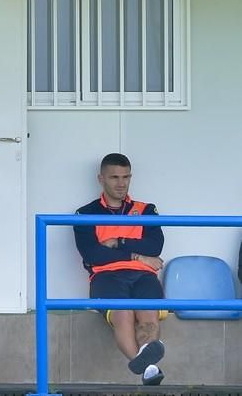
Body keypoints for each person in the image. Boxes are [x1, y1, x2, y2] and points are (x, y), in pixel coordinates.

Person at [73, 153, 166, 385]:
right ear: (101, 178)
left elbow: (155, 245)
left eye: (126, 177)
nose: (121, 183)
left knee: (148, 315)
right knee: (123, 314)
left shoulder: (146, 209)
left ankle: (146, 368)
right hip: (105, 276)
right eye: (114, 177)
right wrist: (138, 255)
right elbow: (93, 254)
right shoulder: (84, 213)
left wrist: (118, 242)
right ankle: (147, 366)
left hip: (144, 275)